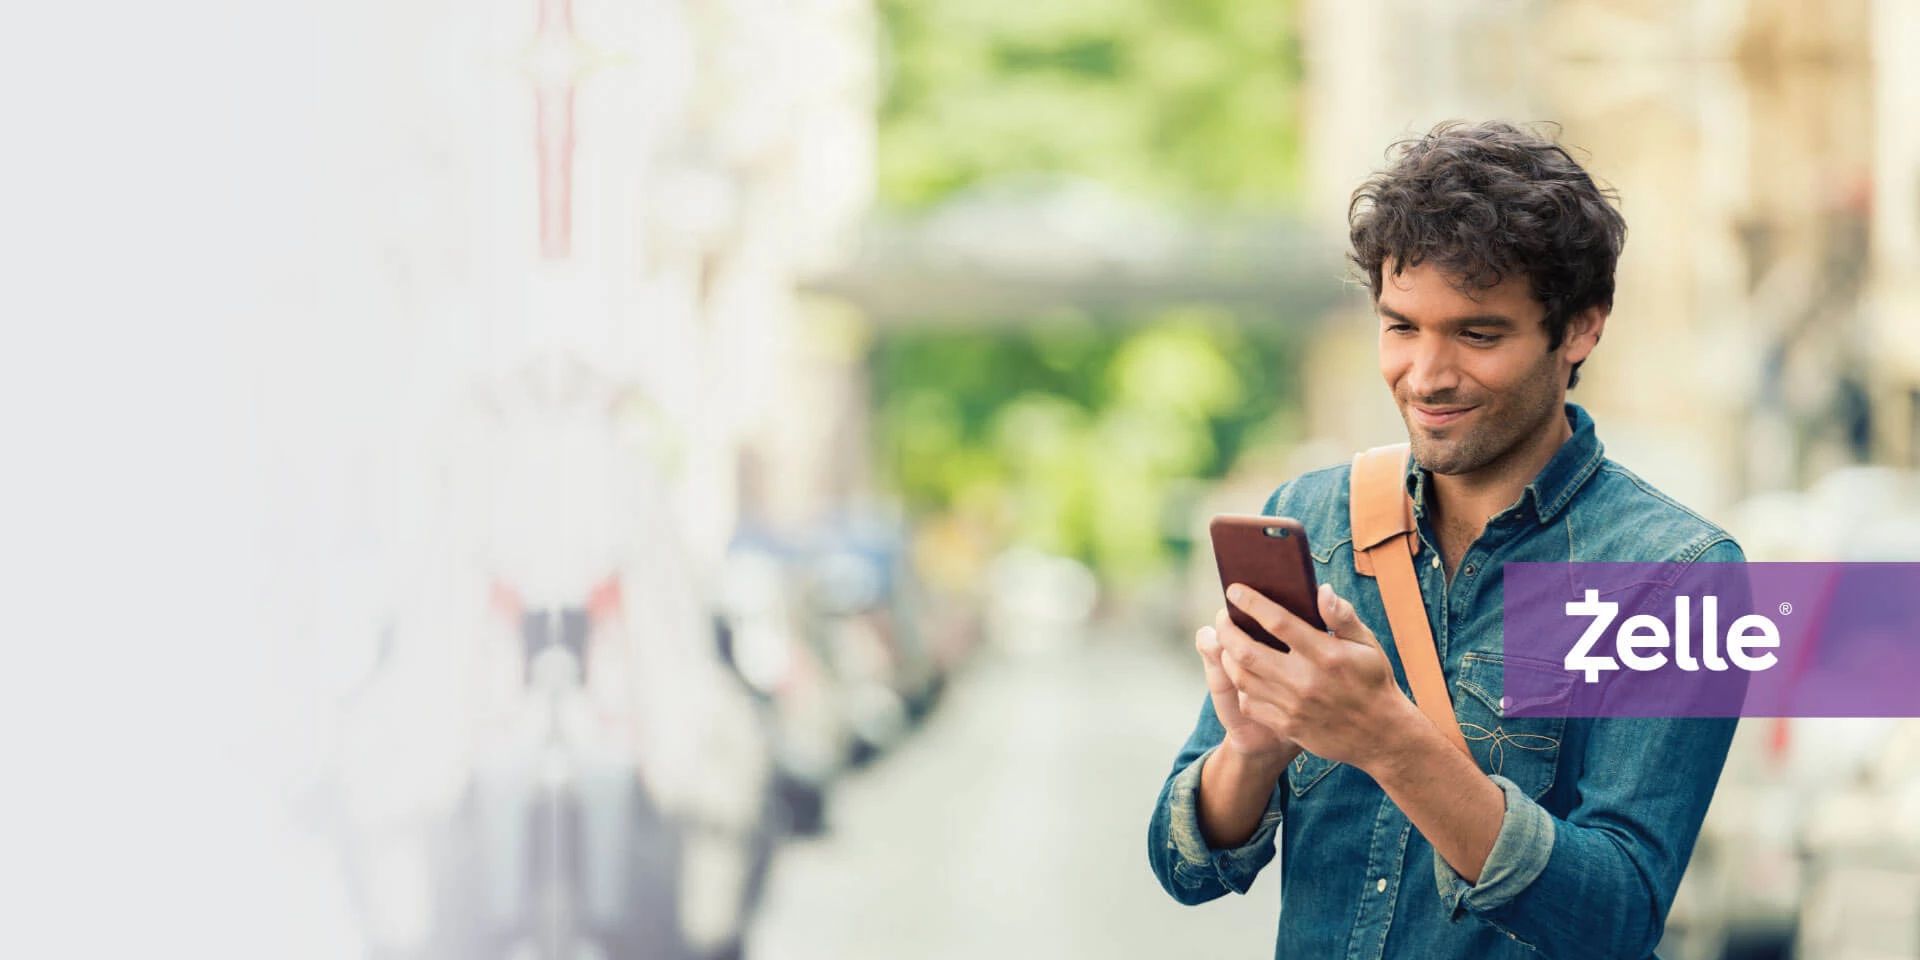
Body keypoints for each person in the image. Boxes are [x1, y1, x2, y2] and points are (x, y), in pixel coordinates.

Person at [1145, 120, 1743, 958]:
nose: (1426, 376)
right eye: (1401, 328)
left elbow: (1616, 916)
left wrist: (1388, 740)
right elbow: (1184, 867)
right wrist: (1250, 754)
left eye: (1478, 334)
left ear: (1579, 330)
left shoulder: (1680, 579)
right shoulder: (1313, 520)